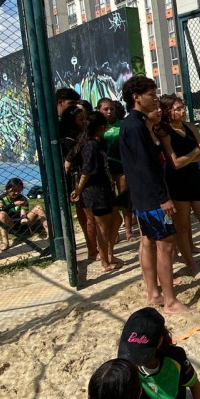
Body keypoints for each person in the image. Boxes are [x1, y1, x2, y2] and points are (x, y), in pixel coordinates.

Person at [120, 77, 190, 314]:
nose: (156, 97)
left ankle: (153, 292)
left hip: (143, 196)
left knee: (149, 241)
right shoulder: (136, 126)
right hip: (152, 198)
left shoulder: (135, 123)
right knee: (165, 243)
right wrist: (163, 198)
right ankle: (170, 301)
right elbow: (145, 166)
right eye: (151, 94)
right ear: (136, 97)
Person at [156, 95, 200, 278]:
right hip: (177, 182)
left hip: (195, 179)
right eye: (177, 109)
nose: (182, 111)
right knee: (182, 227)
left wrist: (187, 158)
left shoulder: (190, 127)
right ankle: (191, 265)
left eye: (182, 107)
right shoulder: (164, 132)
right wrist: (193, 153)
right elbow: (174, 163)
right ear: (168, 111)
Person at [69, 112, 122, 273]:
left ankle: (108, 254)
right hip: (96, 191)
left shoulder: (89, 142)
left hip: (102, 189)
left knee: (116, 219)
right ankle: (105, 262)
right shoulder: (90, 145)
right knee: (102, 227)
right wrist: (78, 189)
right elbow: (86, 171)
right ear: (100, 127)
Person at [60, 104, 98, 261]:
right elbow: (69, 163)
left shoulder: (86, 136)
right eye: (80, 119)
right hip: (79, 180)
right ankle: (92, 249)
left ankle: (95, 247)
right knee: (87, 216)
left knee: (91, 216)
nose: (84, 122)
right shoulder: (69, 141)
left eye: (85, 119)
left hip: (87, 178)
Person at [98, 98, 134, 242]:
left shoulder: (122, 124)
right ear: (99, 110)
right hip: (105, 169)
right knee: (110, 200)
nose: (109, 112)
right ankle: (115, 231)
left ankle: (129, 231)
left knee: (124, 198)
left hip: (122, 166)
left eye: (111, 109)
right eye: (106, 109)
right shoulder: (98, 127)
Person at [0, 178, 49, 251]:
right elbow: (0, 209)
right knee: (1, 214)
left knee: (38, 208)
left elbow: (23, 211)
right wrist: (14, 204)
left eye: (19, 191)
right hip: (10, 223)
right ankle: (5, 243)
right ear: (8, 189)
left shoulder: (22, 198)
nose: (16, 193)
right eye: (14, 191)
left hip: (23, 222)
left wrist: (23, 217)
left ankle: (49, 233)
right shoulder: (1, 198)